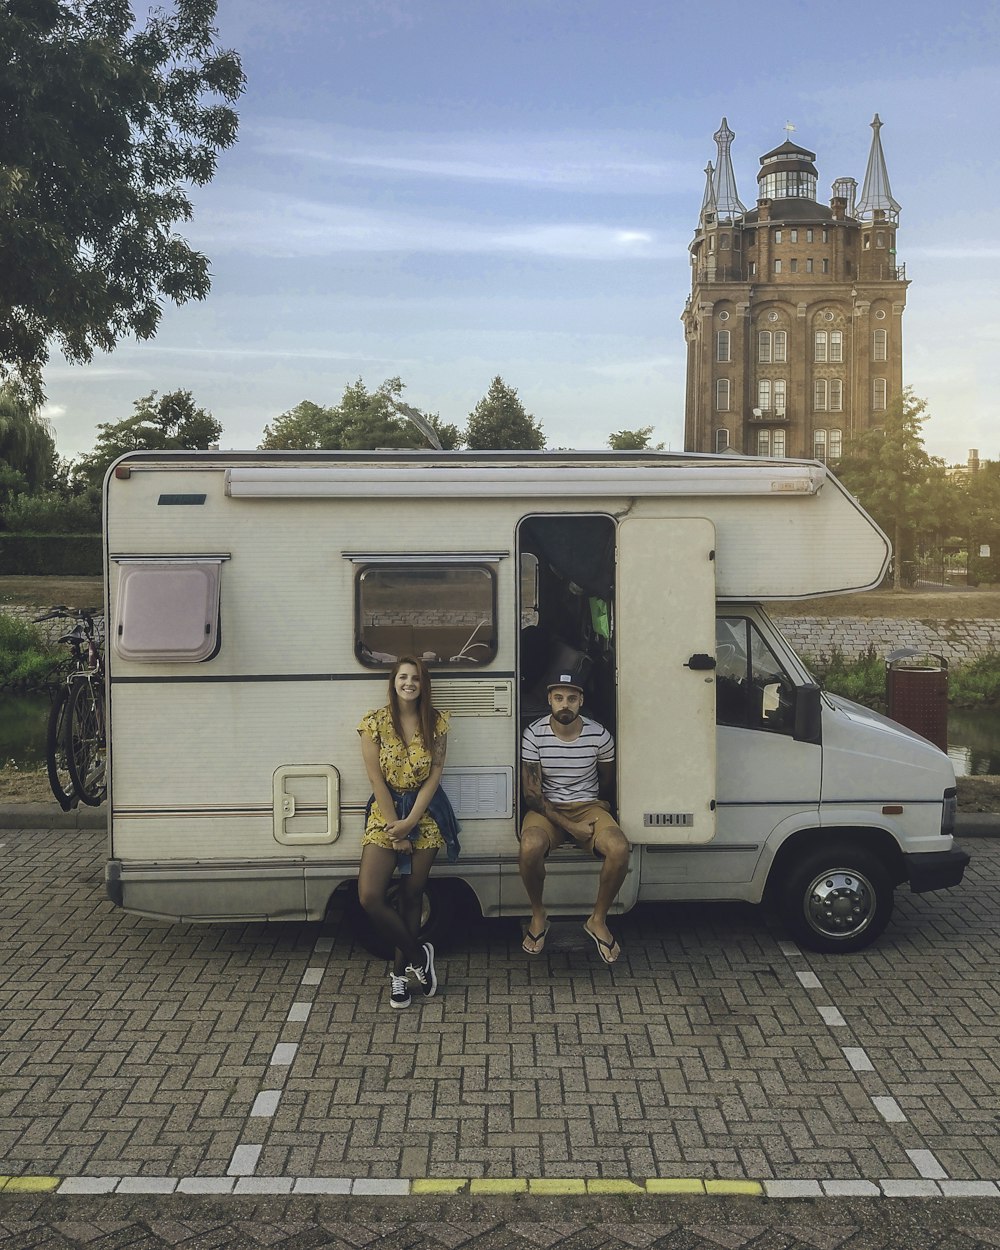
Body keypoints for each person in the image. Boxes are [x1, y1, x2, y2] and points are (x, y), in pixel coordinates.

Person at [357, 656, 460, 1008]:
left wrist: (412, 821)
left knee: (412, 895)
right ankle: (420, 958)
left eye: (415, 677)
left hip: (426, 812)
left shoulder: (437, 723)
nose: (409, 683)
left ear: (423, 683)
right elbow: (375, 778)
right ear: (393, 681)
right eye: (403, 677)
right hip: (385, 813)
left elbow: (435, 776)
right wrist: (395, 829)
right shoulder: (374, 723)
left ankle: (399, 978)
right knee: (370, 896)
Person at [518, 669, 630, 964]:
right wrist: (573, 827)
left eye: (571, 698)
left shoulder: (599, 735)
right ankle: (539, 915)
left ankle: (598, 920)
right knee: (529, 846)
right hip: (547, 807)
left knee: (619, 848)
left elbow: (607, 780)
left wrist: (593, 812)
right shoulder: (534, 734)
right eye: (558, 698)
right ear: (549, 701)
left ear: (581, 700)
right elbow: (532, 796)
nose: (564, 704)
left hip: (587, 806)